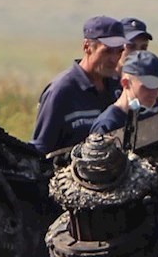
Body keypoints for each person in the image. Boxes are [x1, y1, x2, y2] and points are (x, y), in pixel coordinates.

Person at [31, 16, 127, 154]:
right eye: (107, 51)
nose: (114, 59)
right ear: (87, 47)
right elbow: (41, 149)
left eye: (119, 51)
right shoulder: (61, 91)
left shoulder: (119, 88)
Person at [89, 50, 158, 137]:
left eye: (157, 85)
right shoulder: (108, 124)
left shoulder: (150, 114)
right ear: (125, 83)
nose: (154, 92)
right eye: (147, 86)